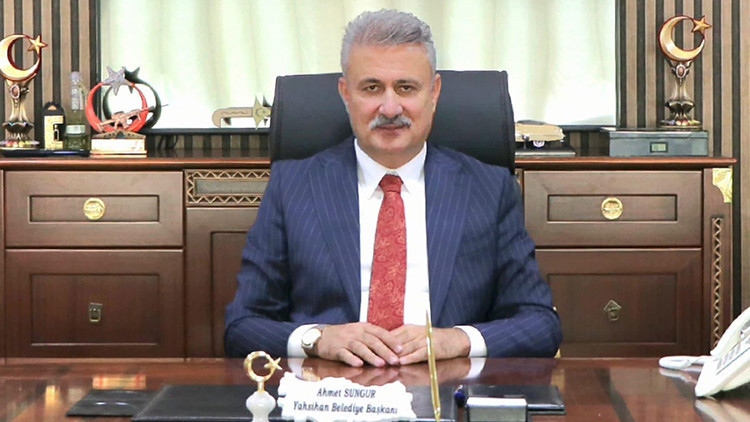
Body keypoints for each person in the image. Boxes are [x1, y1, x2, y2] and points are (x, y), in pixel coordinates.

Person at [225, 9, 562, 367]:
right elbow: (242, 327)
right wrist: (318, 338)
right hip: (332, 386)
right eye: (372, 88)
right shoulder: (294, 186)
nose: (389, 108)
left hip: (444, 384)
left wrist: (457, 340)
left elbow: (540, 325)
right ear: (345, 93)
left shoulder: (488, 189)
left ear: (434, 93)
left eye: (406, 88)